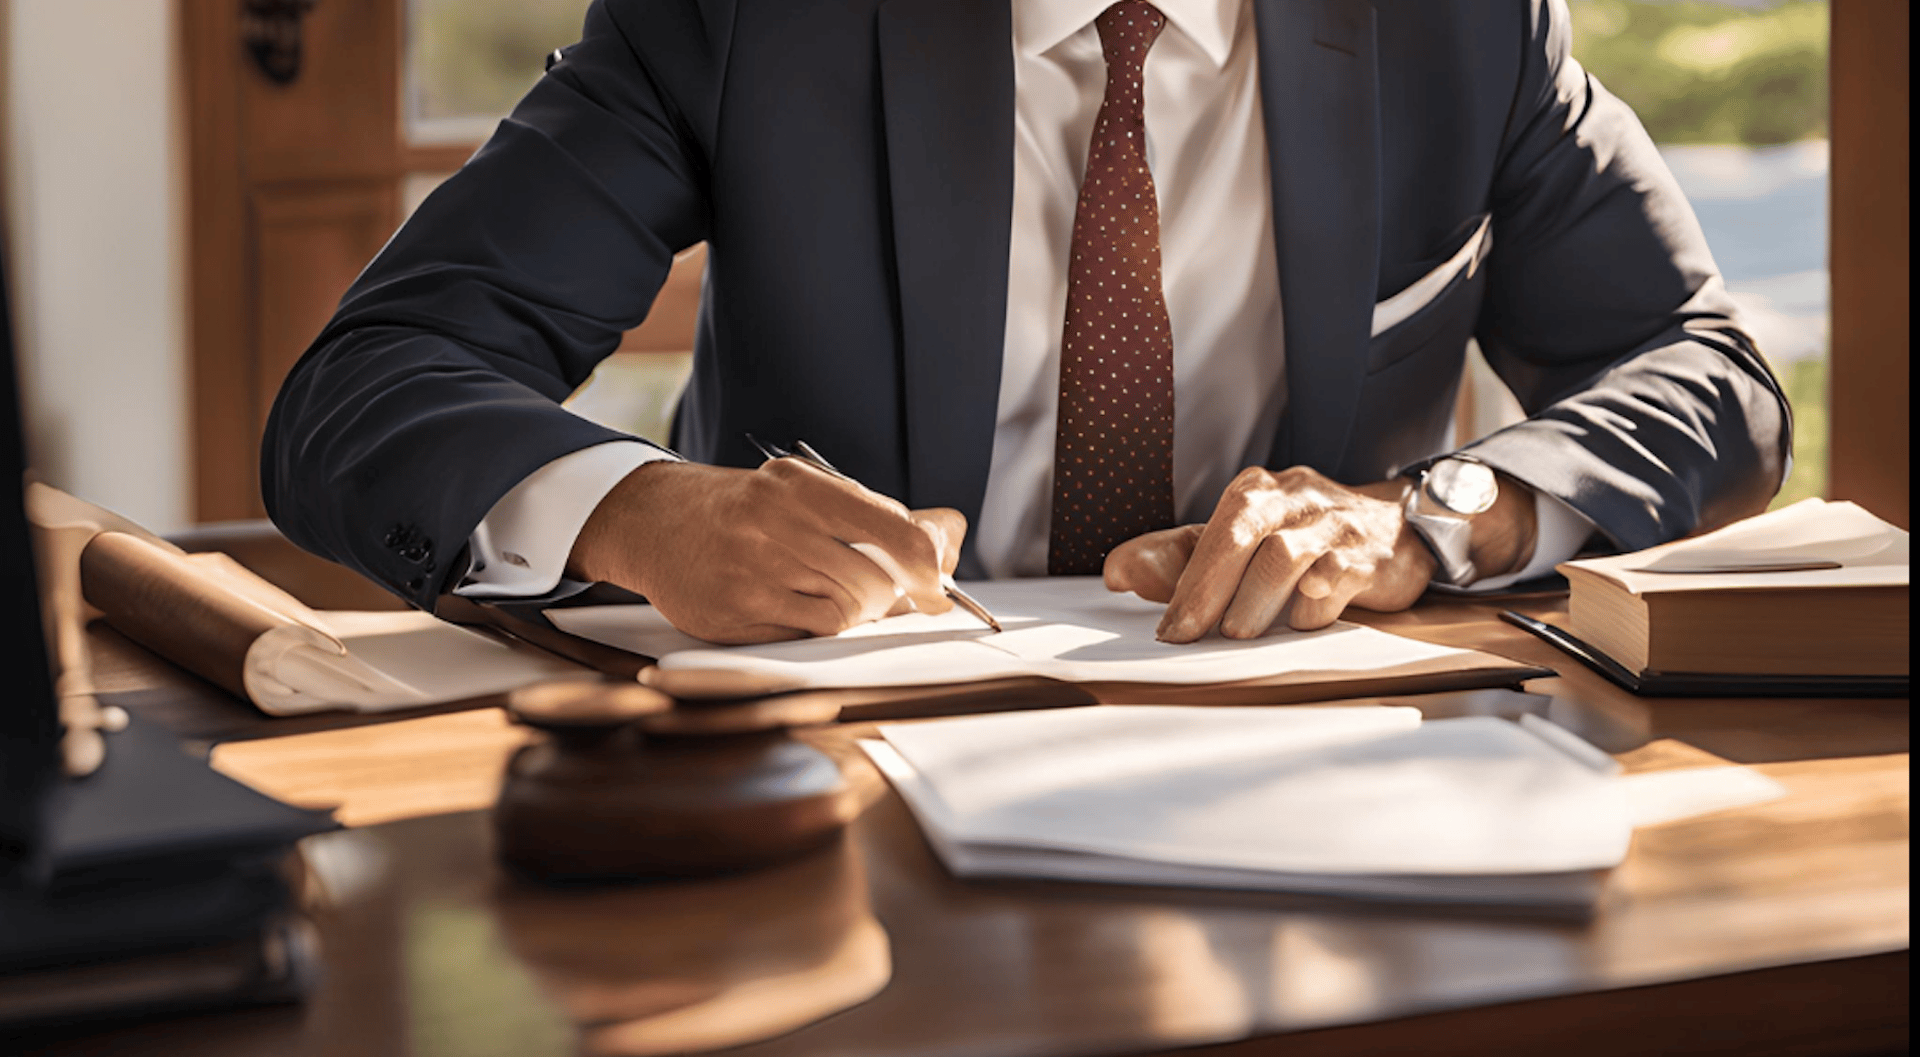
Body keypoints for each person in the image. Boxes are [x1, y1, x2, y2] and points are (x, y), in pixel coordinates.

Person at [262, 0, 1789, 645]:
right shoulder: (747, 19)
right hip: (829, 779)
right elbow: (369, 384)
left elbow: (1706, 372)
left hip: (1312, 761)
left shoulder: (1458, 20)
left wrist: (1436, 514)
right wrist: (643, 513)